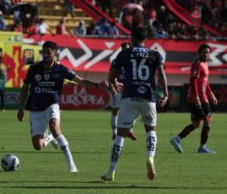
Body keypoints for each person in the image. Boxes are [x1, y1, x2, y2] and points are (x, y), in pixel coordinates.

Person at [17, 41, 107, 172]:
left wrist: (98, 85)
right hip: (35, 108)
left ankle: (71, 164)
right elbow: (25, 88)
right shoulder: (34, 68)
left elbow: (80, 81)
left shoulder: (61, 69)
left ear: (55, 53)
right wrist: (20, 108)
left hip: (52, 104)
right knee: (38, 146)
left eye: (49, 52)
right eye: (44, 52)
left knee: (54, 125)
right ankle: (50, 137)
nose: (46, 55)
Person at [101, 27, 168, 181]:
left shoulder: (125, 53)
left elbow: (111, 75)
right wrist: (165, 93)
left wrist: (114, 83)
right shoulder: (154, 54)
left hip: (129, 97)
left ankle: (111, 171)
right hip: (148, 97)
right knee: (151, 130)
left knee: (120, 135)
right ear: (146, 38)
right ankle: (150, 158)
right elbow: (161, 74)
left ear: (131, 38)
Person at [170, 44, 218, 154]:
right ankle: (202, 148)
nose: (206, 54)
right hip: (198, 98)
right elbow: (193, 81)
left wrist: (211, 95)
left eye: (207, 53)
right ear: (199, 53)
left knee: (196, 124)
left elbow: (205, 82)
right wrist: (196, 97)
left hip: (202, 97)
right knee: (207, 122)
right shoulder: (198, 64)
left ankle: (176, 139)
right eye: (204, 52)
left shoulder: (205, 63)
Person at [109, 42, 137, 140]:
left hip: (130, 88)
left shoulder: (133, 61)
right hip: (119, 88)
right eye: (123, 49)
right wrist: (113, 89)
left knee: (134, 111)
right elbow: (111, 75)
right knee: (115, 111)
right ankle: (114, 132)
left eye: (127, 49)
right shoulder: (116, 61)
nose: (125, 50)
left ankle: (130, 131)